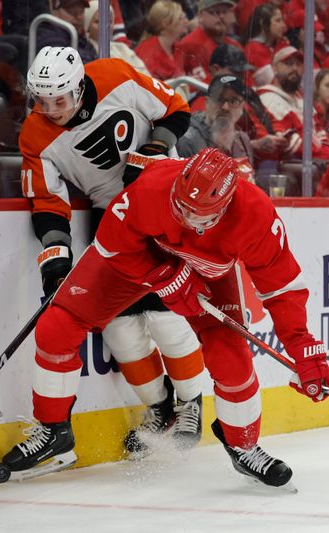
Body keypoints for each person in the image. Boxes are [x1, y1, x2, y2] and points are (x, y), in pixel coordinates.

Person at [1, 147, 329, 487]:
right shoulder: (155, 186)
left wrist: (302, 344)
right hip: (143, 257)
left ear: (226, 204)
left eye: (198, 215)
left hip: (209, 273)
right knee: (58, 326)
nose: (187, 219)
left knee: (230, 355)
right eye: (181, 208)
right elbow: (113, 242)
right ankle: (53, 434)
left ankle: (243, 446)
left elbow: (282, 288)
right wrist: (162, 276)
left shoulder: (255, 215)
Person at [17, 46, 204, 459]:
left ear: (79, 88)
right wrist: (56, 263)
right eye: (40, 101)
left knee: (163, 314)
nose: (49, 109)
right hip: (112, 219)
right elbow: (48, 205)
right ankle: (159, 409)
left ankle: (190, 403)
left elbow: (175, 108)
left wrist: (155, 149)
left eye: (59, 100)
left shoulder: (117, 74)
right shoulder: (34, 135)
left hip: (163, 202)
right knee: (119, 325)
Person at [177, 74, 254, 163]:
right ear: (207, 102)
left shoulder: (243, 140)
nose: (225, 107)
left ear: (242, 107)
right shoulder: (188, 141)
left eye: (233, 101)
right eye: (219, 99)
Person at [178, 0, 242, 82]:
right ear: (200, 16)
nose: (221, 16)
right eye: (214, 12)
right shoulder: (189, 44)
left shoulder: (235, 45)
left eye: (225, 11)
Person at [83, 0, 149, 76]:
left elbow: (145, 74)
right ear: (87, 24)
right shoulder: (86, 52)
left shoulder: (122, 47)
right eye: (98, 22)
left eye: (109, 21)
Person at [134, 0, 188, 82]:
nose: (186, 21)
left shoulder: (176, 46)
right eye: (181, 18)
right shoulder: (148, 53)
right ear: (166, 24)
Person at [243, 3, 288, 87]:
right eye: (278, 20)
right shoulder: (254, 48)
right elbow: (274, 83)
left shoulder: (275, 45)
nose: (283, 25)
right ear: (263, 23)